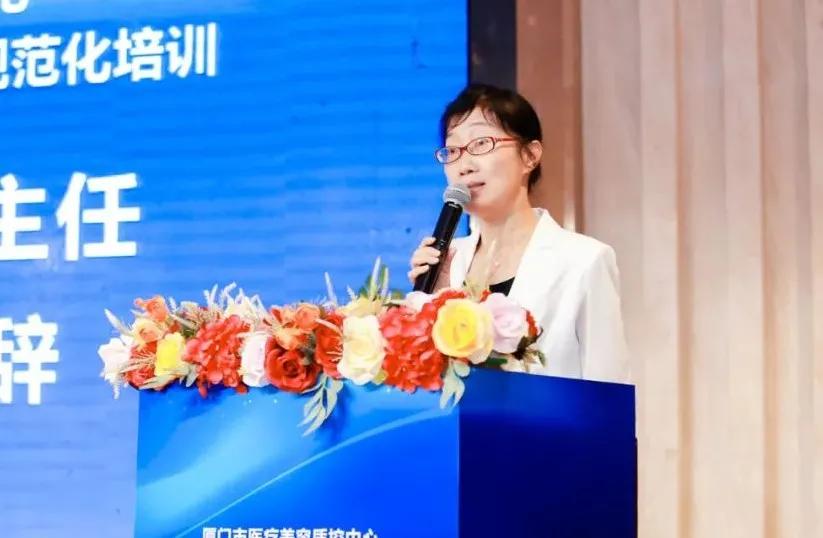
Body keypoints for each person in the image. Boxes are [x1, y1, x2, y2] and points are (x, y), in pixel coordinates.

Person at [408, 84, 630, 384]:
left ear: (529, 156)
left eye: (481, 143)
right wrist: (434, 301)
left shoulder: (584, 261)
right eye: (453, 150)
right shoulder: (447, 263)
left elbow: (609, 388)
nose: (464, 165)